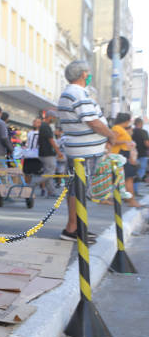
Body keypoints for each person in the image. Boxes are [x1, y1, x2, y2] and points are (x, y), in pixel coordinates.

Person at [57, 61, 116, 242]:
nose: (89, 75)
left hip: (81, 150)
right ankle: (74, 228)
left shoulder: (72, 92)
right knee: (79, 189)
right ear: (83, 74)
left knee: (77, 189)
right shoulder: (77, 93)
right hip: (85, 151)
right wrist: (110, 135)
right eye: (88, 72)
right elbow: (93, 121)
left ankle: (75, 226)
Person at [110, 113, 142, 207]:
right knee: (128, 178)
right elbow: (112, 140)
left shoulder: (120, 128)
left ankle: (129, 199)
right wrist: (125, 141)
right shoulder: (117, 128)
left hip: (122, 155)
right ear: (126, 121)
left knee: (125, 178)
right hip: (119, 155)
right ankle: (131, 200)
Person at [37, 111, 64, 197]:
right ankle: (34, 183)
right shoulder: (45, 126)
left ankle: (51, 191)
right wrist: (58, 152)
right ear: (50, 116)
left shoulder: (44, 126)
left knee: (48, 172)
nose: (54, 120)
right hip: (48, 153)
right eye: (54, 118)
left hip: (44, 153)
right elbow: (51, 140)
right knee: (50, 173)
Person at [132, 117, 149, 182]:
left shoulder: (131, 131)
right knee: (141, 171)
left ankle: (133, 185)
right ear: (141, 124)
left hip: (132, 155)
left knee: (134, 172)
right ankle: (136, 186)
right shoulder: (144, 132)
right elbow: (146, 144)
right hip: (142, 154)